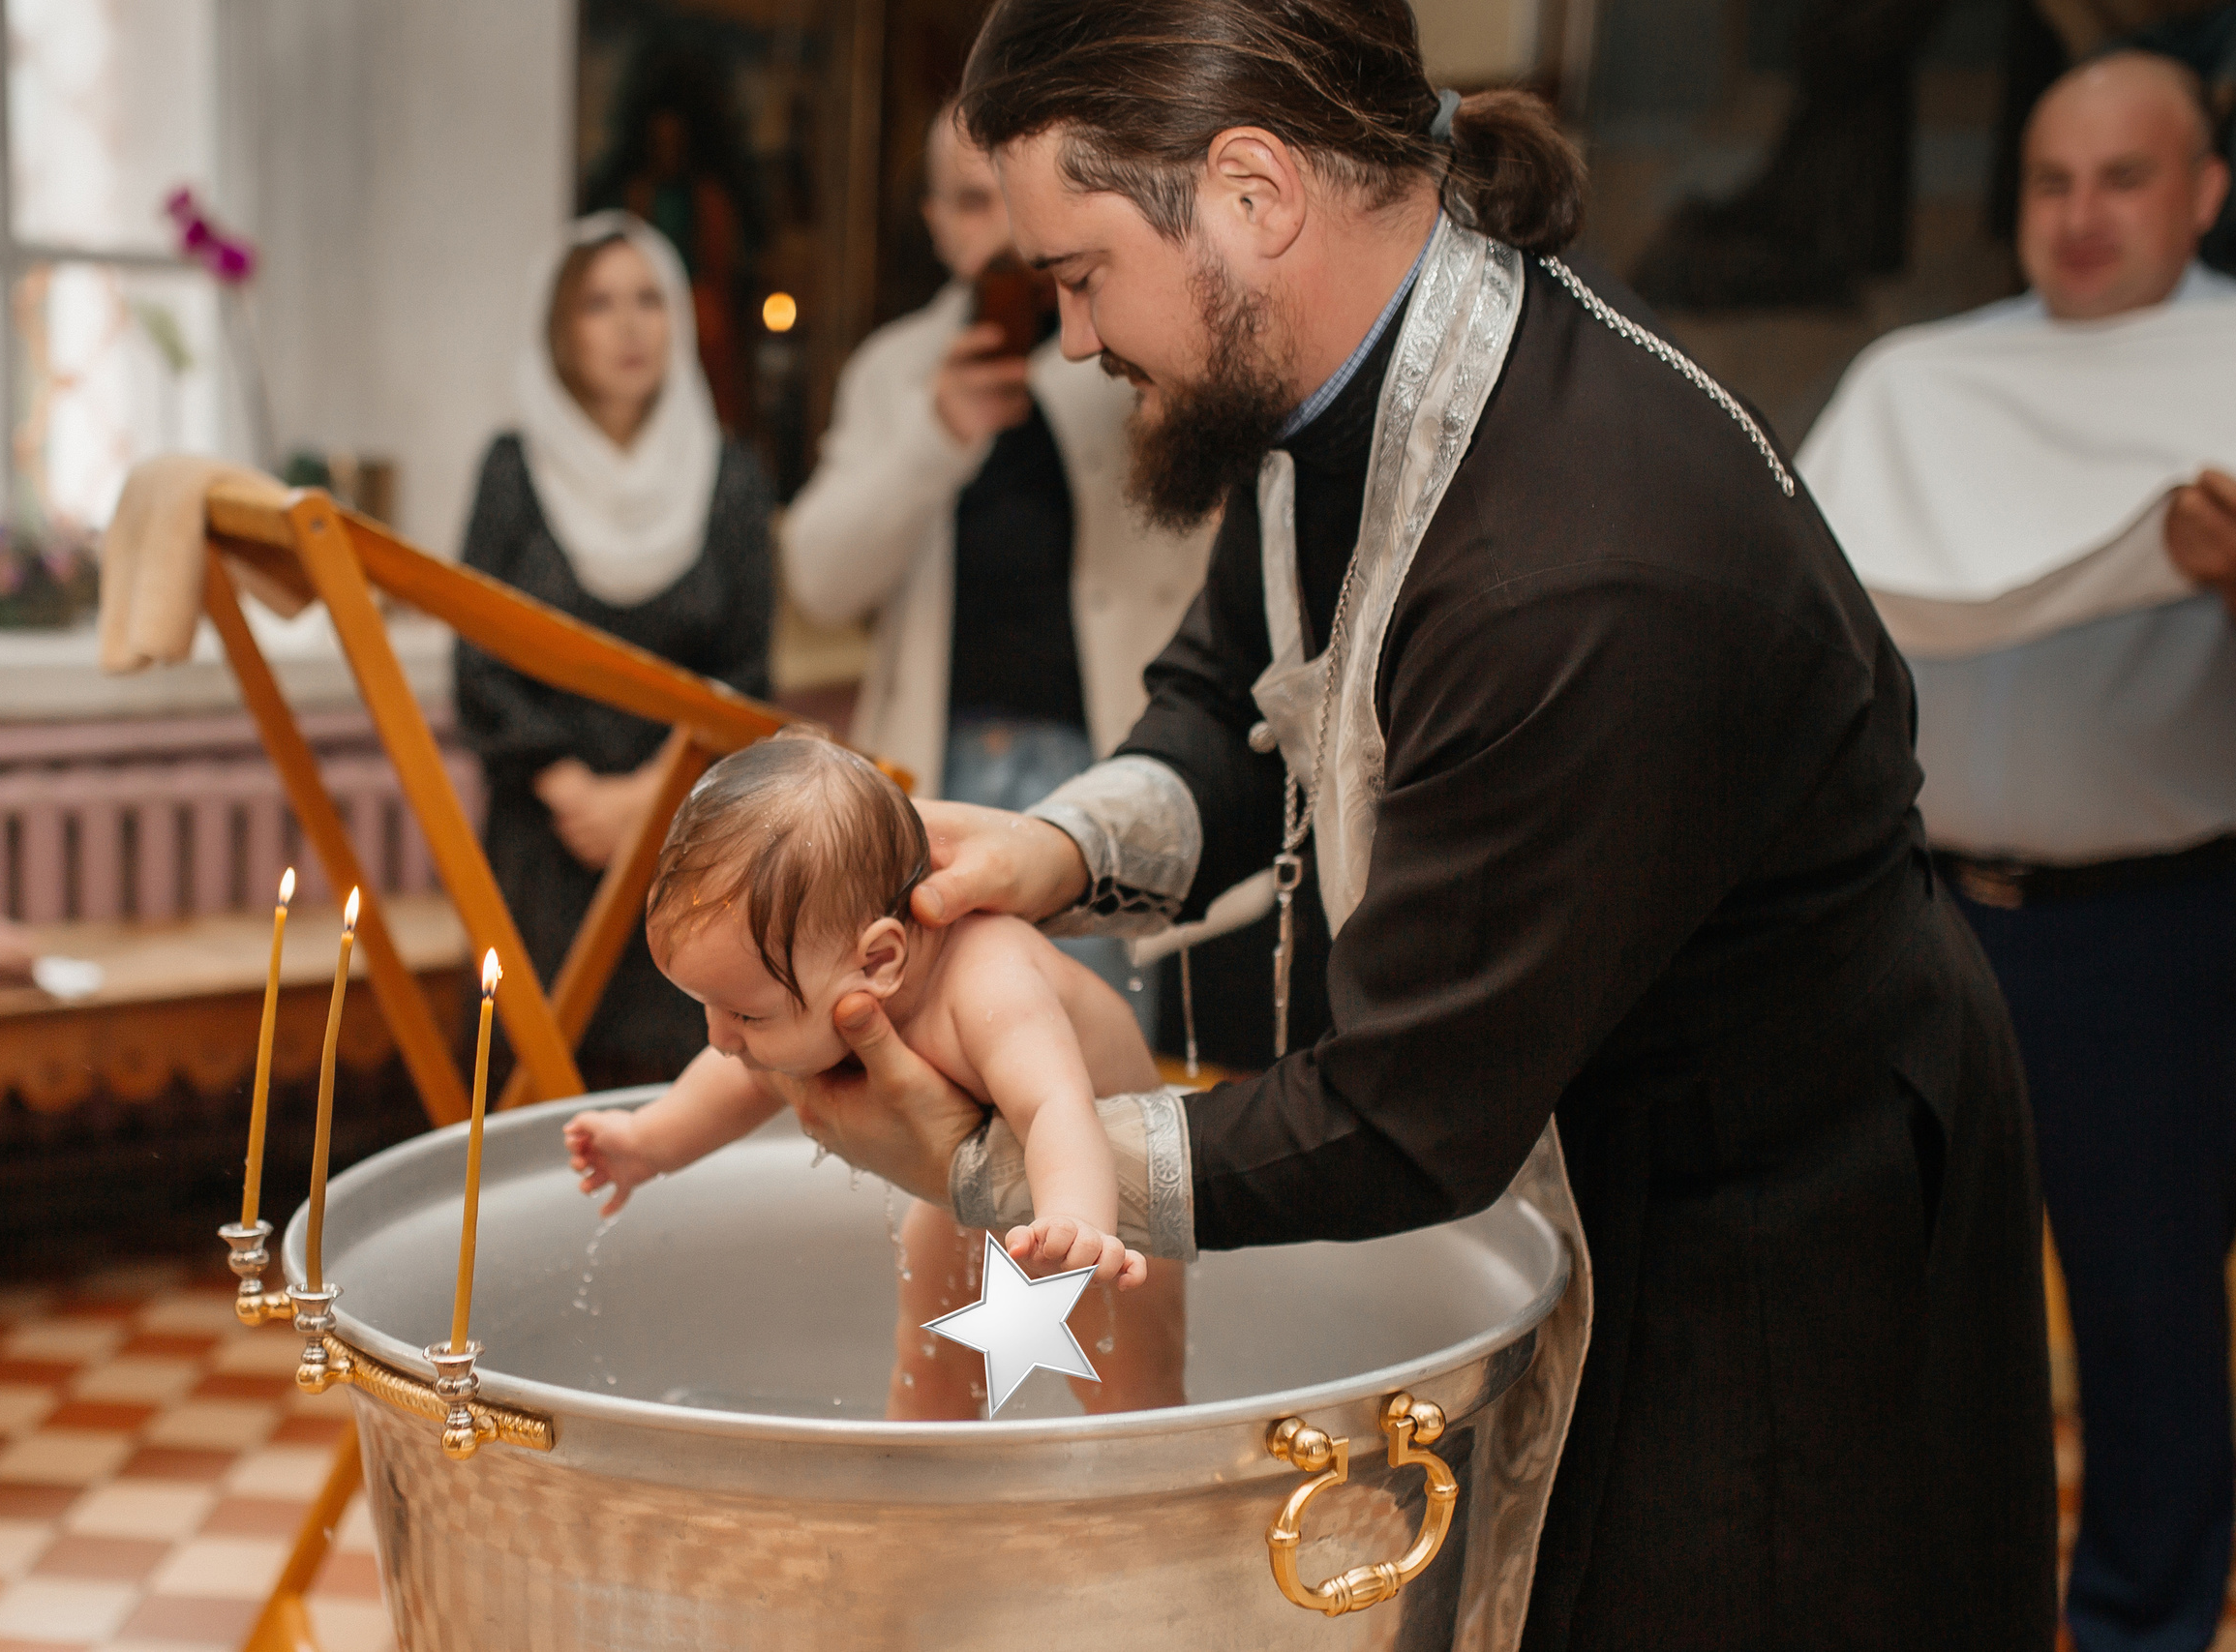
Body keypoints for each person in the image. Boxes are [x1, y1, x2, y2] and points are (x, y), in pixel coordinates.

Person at [741, 2, 2062, 1646]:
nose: (1073, 337)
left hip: (1763, 1228)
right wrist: (1054, 851)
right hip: (1592, 1122)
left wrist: (995, 1165)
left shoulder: (1584, 573)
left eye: (1079, 272)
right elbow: (1237, 695)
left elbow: (1396, 1118)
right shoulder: (1330, 374)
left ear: (1251, 190)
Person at [1798, 52, 2236, 1652]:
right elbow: (1808, 610)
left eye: (2124, 179)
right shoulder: (1923, 380)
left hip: (2148, 933)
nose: (2083, 213)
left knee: (2148, 1318)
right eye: (2052, 181)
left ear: (2207, 193)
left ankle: (2138, 1628)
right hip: (1918, 922)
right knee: (1889, 1307)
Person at [559, 728, 1185, 1419]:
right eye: (707, 1005)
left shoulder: (989, 985)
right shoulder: (822, 980)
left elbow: (1054, 1108)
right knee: (928, 1367)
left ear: (880, 960)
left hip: (1113, 1200)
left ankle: (1147, 1504)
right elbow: (741, 1075)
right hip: (962, 1192)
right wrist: (646, 1143)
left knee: (1131, 1397)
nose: (717, 1033)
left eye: (745, 1013)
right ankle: (920, 1487)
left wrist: (1076, 1217)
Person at [780, 106, 1214, 1038]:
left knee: (1090, 1055)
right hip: (940, 765)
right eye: (976, 201)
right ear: (935, 219)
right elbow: (818, 578)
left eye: (1024, 197)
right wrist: (936, 436)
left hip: (1107, 759)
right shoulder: (894, 371)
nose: (1008, 229)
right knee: (941, 1047)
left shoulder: (1133, 346)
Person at [456, 212, 773, 1091]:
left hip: (690, 845)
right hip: (544, 839)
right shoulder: (512, 471)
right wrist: (577, 792)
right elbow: (479, 663)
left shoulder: (732, 474)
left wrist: (646, 799)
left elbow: (747, 675)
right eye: (599, 303)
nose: (630, 325)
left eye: (649, 300)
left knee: (683, 1099)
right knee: (526, 1092)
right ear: (558, 327)